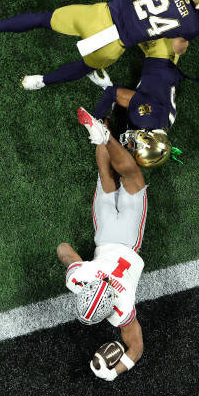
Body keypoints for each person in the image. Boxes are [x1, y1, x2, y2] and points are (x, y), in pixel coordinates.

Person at [0, 0, 199, 90]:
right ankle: (40, 81)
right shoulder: (194, 25)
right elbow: (176, 47)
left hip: (99, 15)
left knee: (43, 18)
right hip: (113, 44)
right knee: (84, 67)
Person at [56, 107, 148, 380]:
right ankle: (101, 127)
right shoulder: (82, 278)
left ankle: (106, 136)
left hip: (129, 240)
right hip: (104, 235)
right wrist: (75, 269)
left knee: (131, 177)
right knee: (107, 177)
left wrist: (114, 372)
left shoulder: (123, 308)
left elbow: (137, 348)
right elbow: (63, 248)